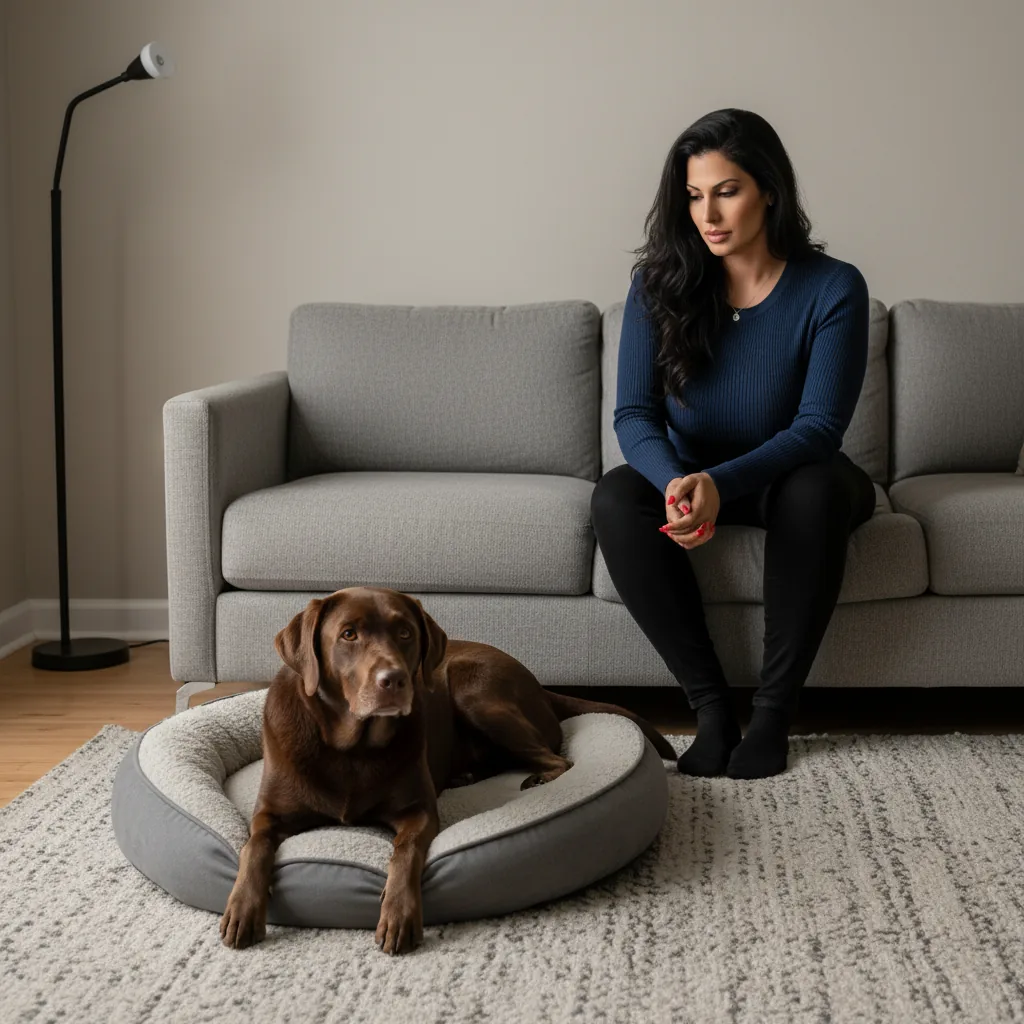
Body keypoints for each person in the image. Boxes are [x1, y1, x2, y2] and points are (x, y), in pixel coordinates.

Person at [590, 108, 876, 780]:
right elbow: (634, 415)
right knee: (614, 496)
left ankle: (774, 717)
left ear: (769, 190)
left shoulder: (833, 288)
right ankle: (712, 712)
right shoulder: (657, 285)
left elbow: (817, 430)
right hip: (692, 476)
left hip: (793, 475)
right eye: (693, 195)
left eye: (727, 190)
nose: (707, 214)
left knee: (818, 485)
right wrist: (676, 484)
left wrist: (720, 485)